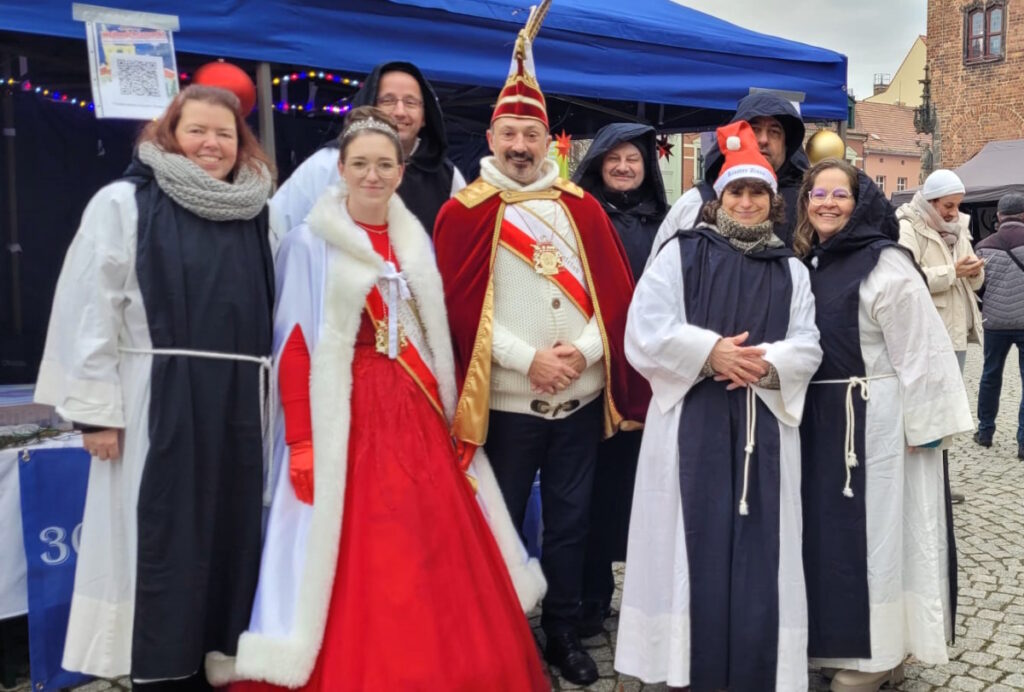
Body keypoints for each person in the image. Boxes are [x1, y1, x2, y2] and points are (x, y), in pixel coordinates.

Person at [227, 107, 548, 692]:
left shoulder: (411, 238)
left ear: (401, 171)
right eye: (360, 165)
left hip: (416, 407)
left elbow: (430, 336)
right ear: (341, 170)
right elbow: (294, 347)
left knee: (436, 546)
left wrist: (455, 413)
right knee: (362, 549)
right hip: (345, 415)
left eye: (383, 164)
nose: (372, 176)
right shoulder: (307, 244)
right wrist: (301, 441)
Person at [34, 81, 276, 688]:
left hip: (240, 400)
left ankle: (218, 658)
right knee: (162, 535)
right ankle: (159, 669)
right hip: (155, 395)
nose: (210, 144)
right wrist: (95, 411)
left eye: (224, 133)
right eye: (196, 130)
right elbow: (90, 304)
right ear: (169, 134)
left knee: (230, 531)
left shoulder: (257, 212)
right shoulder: (124, 202)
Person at [433, 8, 647, 685]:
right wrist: (530, 361)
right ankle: (497, 632)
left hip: (578, 400)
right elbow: (457, 315)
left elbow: (613, 299)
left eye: (531, 131)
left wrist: (581, 355)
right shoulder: (461, 214)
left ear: (545, 136)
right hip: (507, 404)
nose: (521, 144)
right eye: (510, 132)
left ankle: (561, 633)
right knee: (495, 525)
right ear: (491, 135)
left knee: (570, 526)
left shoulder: (580, 207)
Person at [614, 120, 822, 691]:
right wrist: (709, 354)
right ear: (720, 197)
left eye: (758, 192)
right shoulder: (680, 255)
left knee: (764, 547)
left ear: (772, 202)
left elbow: (808, 344)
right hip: (691, 419)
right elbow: (644, 331)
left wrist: (763, 363)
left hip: (762, 420)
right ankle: (682, 661)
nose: (749, 201)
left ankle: (761, 665)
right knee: (687, 540)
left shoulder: (791, 269)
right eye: (738, 191)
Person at [795, 159, 973, 692]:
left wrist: (926, 429)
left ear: (861, 202)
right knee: (831, 539)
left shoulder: (886, 263)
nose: (827, 203)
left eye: (839, 195)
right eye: (817, 193)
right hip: (824, 426)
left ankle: (881, 655)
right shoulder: (810, 263)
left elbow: (923, 350)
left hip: (881, 426)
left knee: (884, 537)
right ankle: (848, 643)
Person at [571, 123, 666, 635]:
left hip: (652, 377)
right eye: (614, 159)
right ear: (599, 165)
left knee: (647, 489)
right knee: (592, 489)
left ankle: (652, 602)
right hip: (594, 372)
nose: (625, 167)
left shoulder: (666, 223)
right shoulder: (578, 218)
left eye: (633, 159)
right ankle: (591, 596)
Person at [270, 61, 466, 235]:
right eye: (388, 101)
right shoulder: (327, 164)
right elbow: (277, 228)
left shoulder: (447, 178)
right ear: (370, 106)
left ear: (424, 116)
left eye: (410, 102)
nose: (399, 112)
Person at [897, 168, 983, 504]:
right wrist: (952, 272)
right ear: (931, 202)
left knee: (945, 414)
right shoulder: (907, 226)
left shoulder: (959, 226)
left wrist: (974, 272)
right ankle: (920, 486)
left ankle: (939, 483)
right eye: (948, 205)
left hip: (957, 332)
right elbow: (905, 277)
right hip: (926, 332)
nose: (953, 212)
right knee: (923, 412)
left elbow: (972, 282)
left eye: (956, 205)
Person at [646, 91, 808, 267]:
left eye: (774, 131)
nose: (763, 140)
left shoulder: (806, 206)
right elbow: (658, 279)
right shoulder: (694, 203)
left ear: (787, 145)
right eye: (754, 129)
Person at [973, 191, 1024, 458]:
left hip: (994, 322)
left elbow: (978, 287)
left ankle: (985, 432)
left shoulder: (984, 245)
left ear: (999, 216)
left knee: (990, 375)